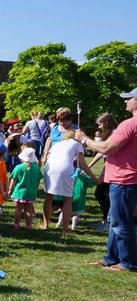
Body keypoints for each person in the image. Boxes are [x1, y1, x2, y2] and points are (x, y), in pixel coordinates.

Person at [76, 88, 137, 271]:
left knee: (121, 222)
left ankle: (128, 262)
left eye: (129, 99)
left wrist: (84, 139)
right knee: (114, 221)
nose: (125, 102)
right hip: (127, 179)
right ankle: (111, 258)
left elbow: (106, 148)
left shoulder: (129, 124)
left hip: (124, 180)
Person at [42, 130, 96, 234]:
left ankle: (45, 224)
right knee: (67, 198)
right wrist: (93, 177)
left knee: (49, 197)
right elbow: (82, 163)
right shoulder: (77, 144)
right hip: (65, 168)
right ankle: (65, 228)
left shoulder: (58, 144)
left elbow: (48, 156)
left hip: (49, 168)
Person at [87, 113, 118, 232]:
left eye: (100, 124)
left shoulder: (114, 134)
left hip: (112, 167)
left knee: (103, 194)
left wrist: (101, 176)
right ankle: (106, 218)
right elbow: (100, 152)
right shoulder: (108, 134)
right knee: (101, 194)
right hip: (108, 165)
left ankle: (109, 221)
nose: (99, 127)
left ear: (106, 123)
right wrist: (89, 165)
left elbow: (108, 157)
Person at [7, 147, 43, 230]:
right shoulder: (36, 168)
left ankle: (16, 224)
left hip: (19, 192)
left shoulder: (18, 167)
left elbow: (13, 179)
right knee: (29, 209)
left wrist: (10, 189)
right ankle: (28, 225)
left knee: (18, 208)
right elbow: (38, 180)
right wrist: (35, 189)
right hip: (31, 192)